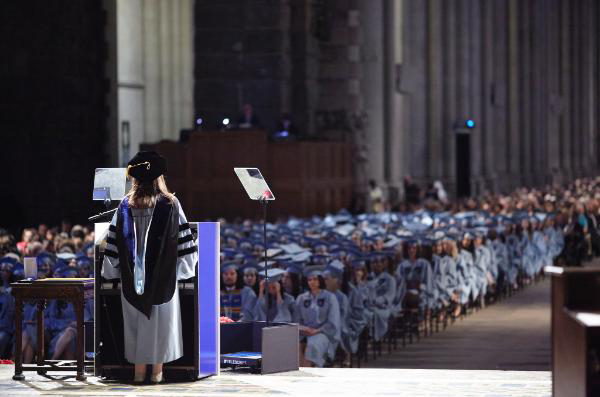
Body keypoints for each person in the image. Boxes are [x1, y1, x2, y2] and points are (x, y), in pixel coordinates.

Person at [102, 151, 198, 384]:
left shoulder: (125, 205)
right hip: (163, 278)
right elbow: (184, 242)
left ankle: (138, 373)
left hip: (132, 277)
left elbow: (113, 242)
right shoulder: (171, 204)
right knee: (160, 327)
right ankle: (157, 373)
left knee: (137, 326)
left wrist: (112, 271)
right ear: (159, 178)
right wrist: (184, 269)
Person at [294, 266, 341, 367]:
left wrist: (317, 331)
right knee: (294, 345)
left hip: (322, 332)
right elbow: (296, 320)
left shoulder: (330, 297)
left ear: (320, 280)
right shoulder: (301, 298)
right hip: (303, 332)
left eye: (315, 279)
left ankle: (309, 373)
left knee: (312, 346)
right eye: (309, 279)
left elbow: (333, 321)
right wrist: (303, 330)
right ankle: (299, 373)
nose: (312, 282)